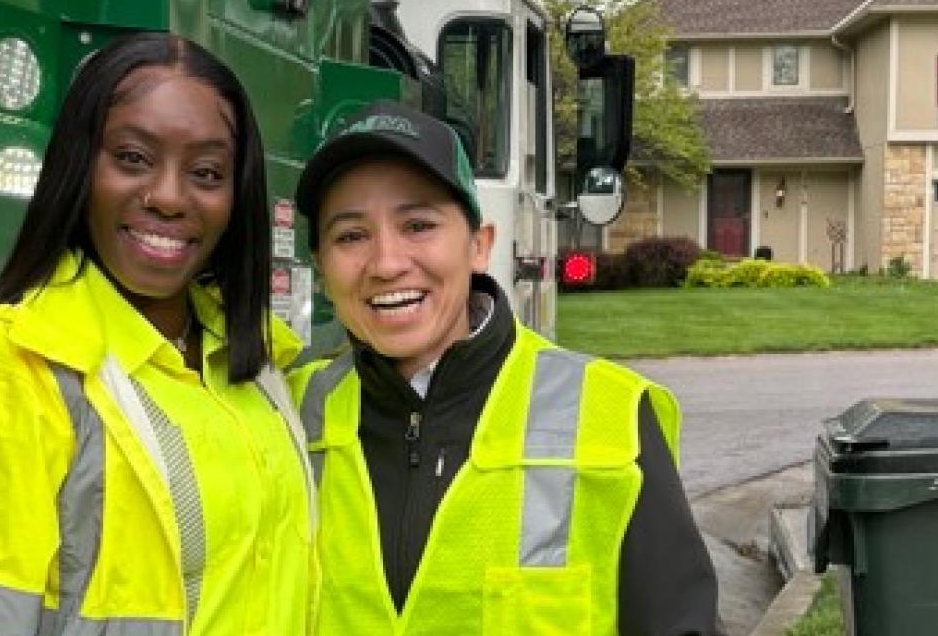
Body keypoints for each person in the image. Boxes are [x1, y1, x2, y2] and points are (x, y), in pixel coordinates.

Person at [0, 33, 316, 635]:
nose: (169, 197)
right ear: (79, 165)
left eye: (206, 172)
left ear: (236, 195)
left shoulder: (257, 368)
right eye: (133, 158)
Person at [291, 100, 722, 635]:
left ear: (479, 245)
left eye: (418, 225)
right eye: (351, 236)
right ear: (321, 266)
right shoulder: (291, 417)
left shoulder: (610, 416)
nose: (386, 263)